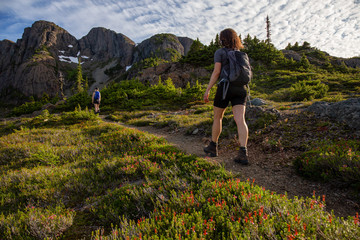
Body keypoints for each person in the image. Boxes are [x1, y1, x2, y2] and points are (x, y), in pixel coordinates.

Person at [203, 28, 250, 165]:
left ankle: (213, 147)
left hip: (225, 87)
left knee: (218, 117)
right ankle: (243, 152)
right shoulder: (241, 54)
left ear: (222, 39)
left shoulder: (220, 52)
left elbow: (217, 72)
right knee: (240, 120)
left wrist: (208, 89)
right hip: (241, 89)